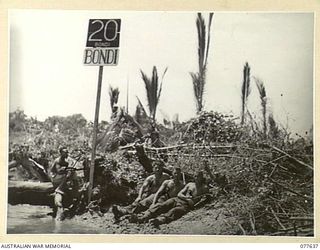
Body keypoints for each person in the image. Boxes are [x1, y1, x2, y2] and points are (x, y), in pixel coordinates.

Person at [137, 171, 210, 226]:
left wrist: (195, 205)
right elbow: (179, 194)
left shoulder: (204, 188)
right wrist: (187, 198)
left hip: (185, 205)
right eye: (195, 176)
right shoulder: (190, 184)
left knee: (174, 211)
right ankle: (146, 215)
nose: (196, 178)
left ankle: (160, 220)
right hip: (177, 199)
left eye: (198, 176)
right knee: (163, 205)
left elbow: (206, 199)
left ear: (202, 177)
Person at [49, 147, 79, 220]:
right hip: (56, 176)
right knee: (68, 174)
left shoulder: (68, 160)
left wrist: (70, 169)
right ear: (61, 153)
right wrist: (66, 169)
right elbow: (58, 170)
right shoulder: (58, 160)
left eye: (67, 152)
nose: (66, 154)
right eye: (64, 152)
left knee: (73, 173)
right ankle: (61, 188)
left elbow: (71, 167)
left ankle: (76, 189)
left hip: (63, 176)